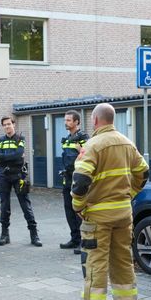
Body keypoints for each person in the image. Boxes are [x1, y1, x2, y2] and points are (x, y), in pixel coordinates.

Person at [67, 103, 149, 300]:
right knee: (123, 261)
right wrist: (129, 195)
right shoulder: (127, 142)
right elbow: (143, 173)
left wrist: (78, 206)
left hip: (98, 217)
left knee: (96, 265)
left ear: (94, 120)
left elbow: (81, 180)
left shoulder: (93, 145)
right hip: (124, 215)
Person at [0, 116, 41, 247]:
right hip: (4, 176)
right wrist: (10, 157)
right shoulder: (0, 140)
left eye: (9, 124)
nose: (7, 126)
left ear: (13, 124)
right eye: (4, 125)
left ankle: (34, 235)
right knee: (4, 205)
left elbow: (18, 155)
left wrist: (3, 157)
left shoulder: (20, 139)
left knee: (25, 205)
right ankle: (4, 235)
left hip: (18, 175)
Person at [60, 110, 90, 261]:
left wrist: (81, 151)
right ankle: (74, 239)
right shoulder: (66, 139)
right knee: (69, 209)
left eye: (69, 120)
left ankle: (83, 241)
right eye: (65, 120)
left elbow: (87, 156)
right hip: (67, 178)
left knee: (79, 211)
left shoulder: (83, 137)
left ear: (77, 122)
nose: (66, 122)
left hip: (78, 178)